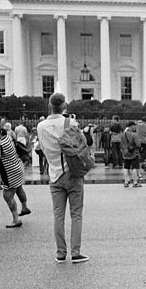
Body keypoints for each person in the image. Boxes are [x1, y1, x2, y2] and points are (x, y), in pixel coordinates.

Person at [36, 94, 88, 263]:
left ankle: (60, 252)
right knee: (76, 215)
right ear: (64, 105)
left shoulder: (40, 126)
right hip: (72, 172)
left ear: (49, 105)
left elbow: (42, 149)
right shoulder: (71, 123)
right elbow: (83, 144)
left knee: (58, 216)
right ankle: (76, 252)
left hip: (54, 174)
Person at [0, 121, 29, 227]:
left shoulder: (0, 144)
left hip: (10, 172)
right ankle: (25, 207)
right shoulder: (7, 137)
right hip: (18, 167)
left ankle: (16, 219)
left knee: (7, 195)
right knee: (19, 188)